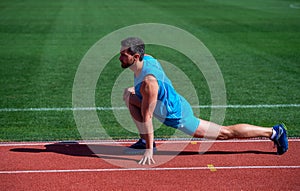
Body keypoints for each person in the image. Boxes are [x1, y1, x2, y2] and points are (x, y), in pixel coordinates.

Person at [119, 37, 288, 165]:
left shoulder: (149, 82)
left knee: (224, 133)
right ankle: (144, 140)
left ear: (135, 56)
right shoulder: (146, 59)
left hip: (177, 116)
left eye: (123, 54)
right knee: (128, 94)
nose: (119, 57)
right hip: (162, 104)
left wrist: (150, 151)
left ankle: (273, 132)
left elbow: (147, 116)